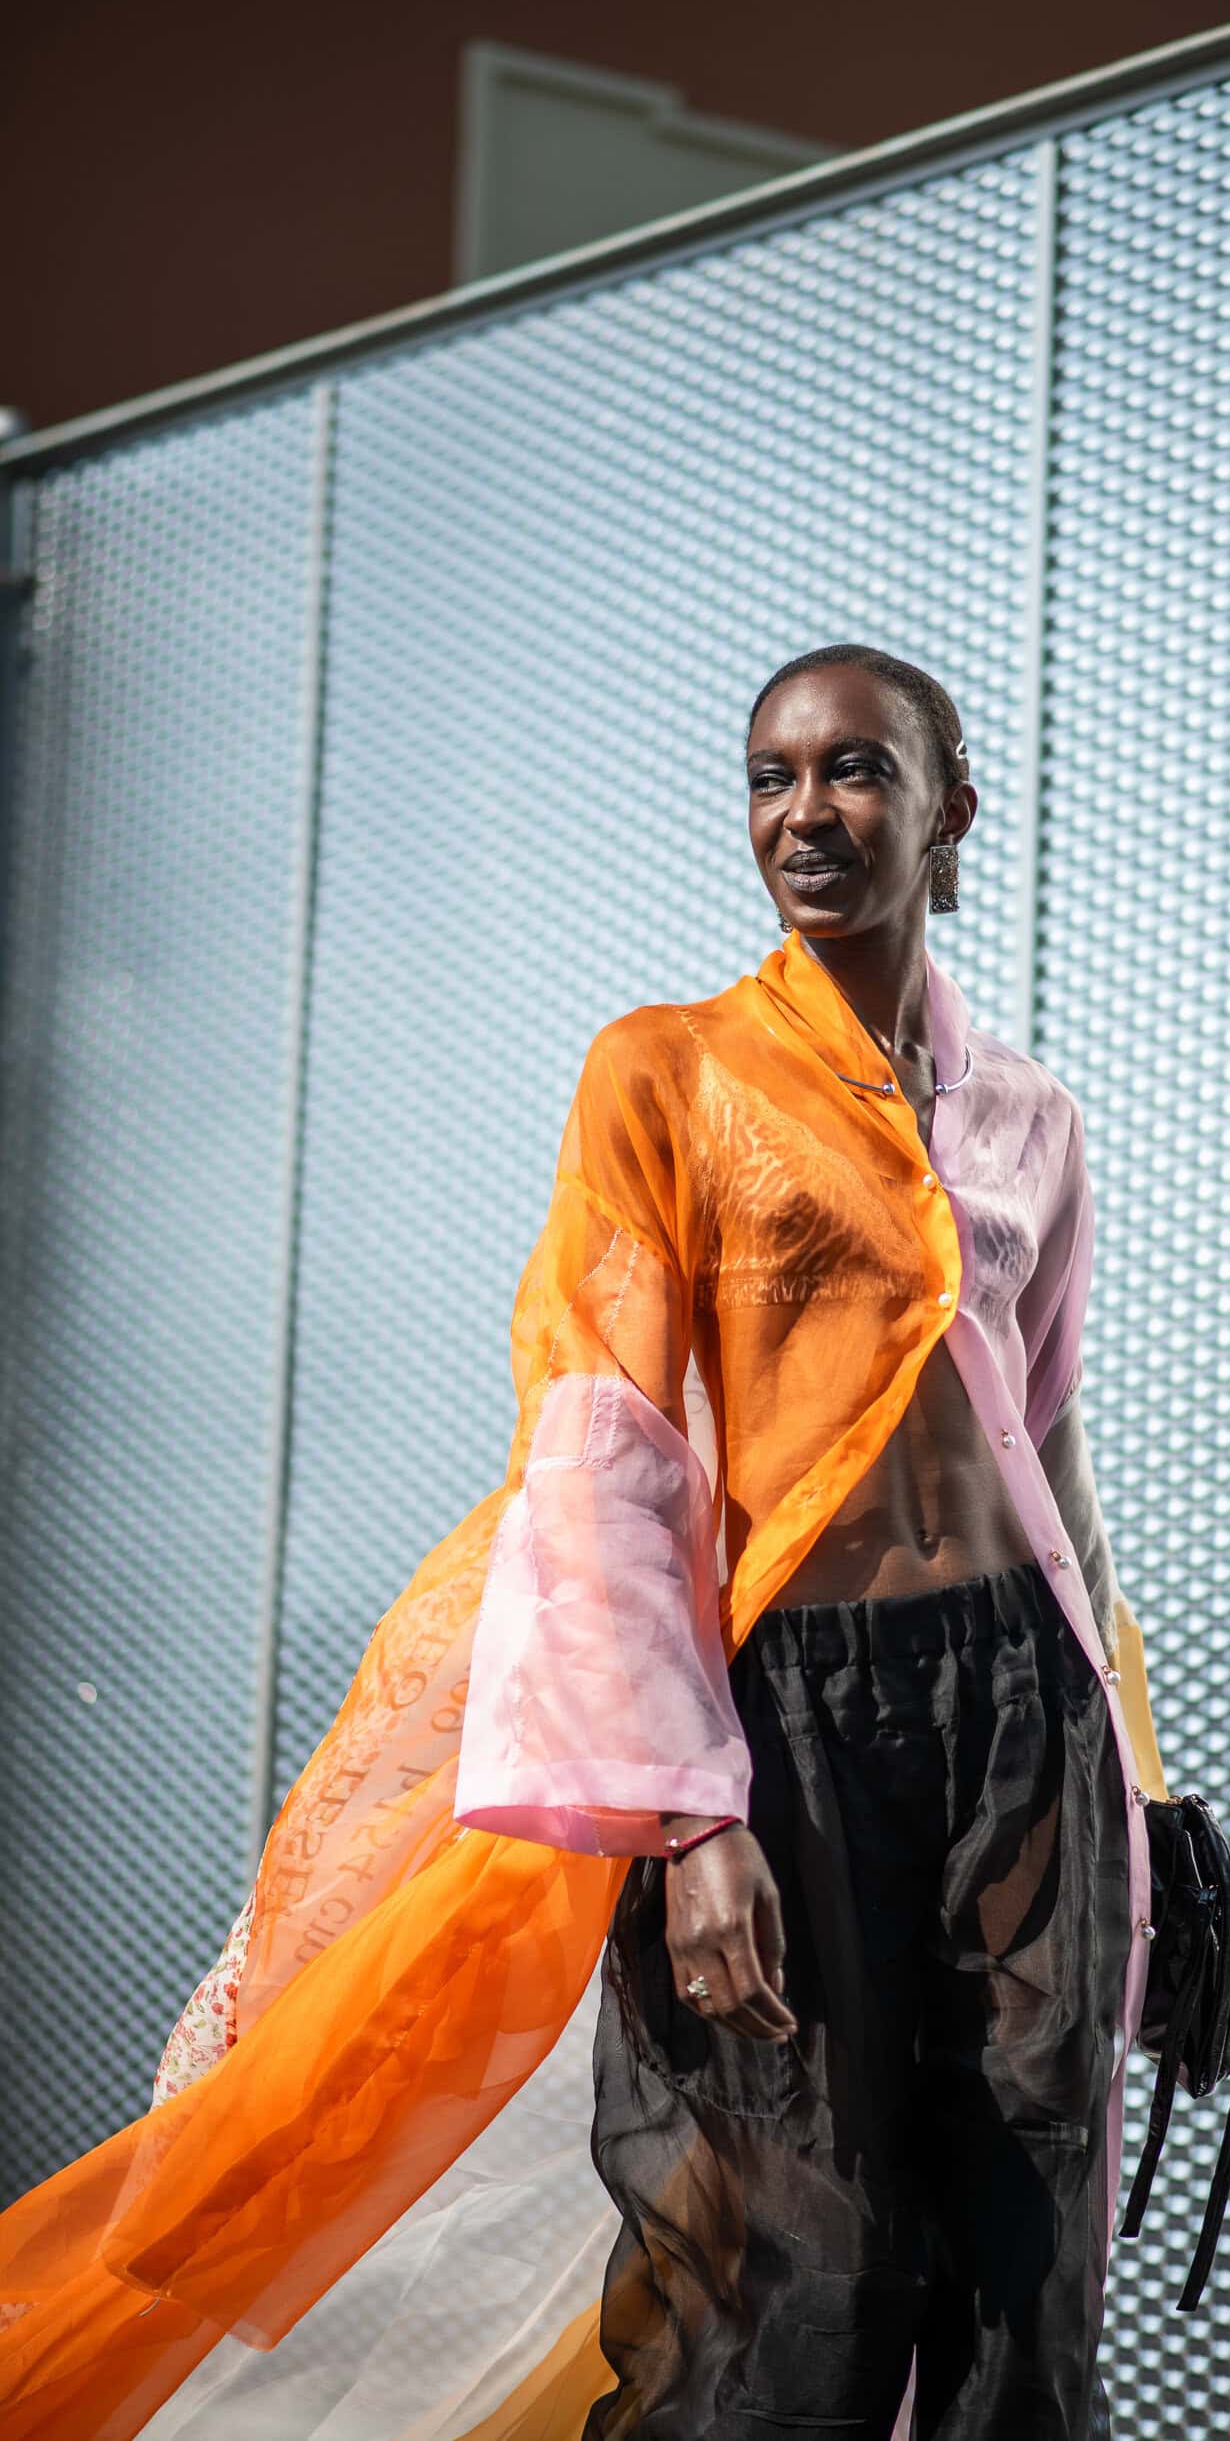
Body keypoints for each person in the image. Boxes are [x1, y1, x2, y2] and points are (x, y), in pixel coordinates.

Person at [0, 645, 1169, 2441]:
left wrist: (1137, 1786)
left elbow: (1055, 1451)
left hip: (1026, 1706)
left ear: (953, 808)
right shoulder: (666, 1074)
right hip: (794, 1718)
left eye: (855, 771)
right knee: (804, 2265)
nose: (806, 814)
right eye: (772, 779)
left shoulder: (1031, 1120)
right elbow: (602, 1451)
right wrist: (693, 1821)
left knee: (1031, 2241)